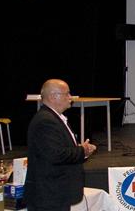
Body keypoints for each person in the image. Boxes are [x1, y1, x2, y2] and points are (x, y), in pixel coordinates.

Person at [25, 79, 96, 211]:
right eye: (67, 94)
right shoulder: (46, 121)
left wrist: (81, 151)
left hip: (56, 193)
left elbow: (59, 150)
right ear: (53, 96)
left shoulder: (54, 118)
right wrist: (82, 151)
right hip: (49, 195)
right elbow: (55, 155)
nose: (70, 97)